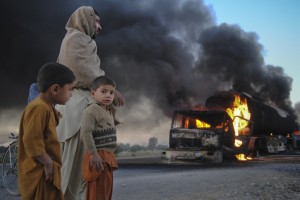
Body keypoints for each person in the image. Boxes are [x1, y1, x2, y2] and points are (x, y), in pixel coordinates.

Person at [55, 6, 124, 199]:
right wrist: (109, 88)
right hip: (77, 108)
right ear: (87, 19)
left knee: (75, 167)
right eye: (97, 21)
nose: (99, 27)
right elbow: (83, 71)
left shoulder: (73, 39)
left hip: (73, 107)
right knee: (77, 168)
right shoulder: (78, 39)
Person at [18, 62, 76, 200]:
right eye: (69, 89)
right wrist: (47, 162)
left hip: (46, 171)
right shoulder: (39, 108)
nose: (71, 94)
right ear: (55, 89)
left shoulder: (46, 106)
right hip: (40, 172)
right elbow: (31, 140)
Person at [81, 76, 118, 200]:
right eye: (104, 91)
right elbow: (86, 132)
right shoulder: (91, 110)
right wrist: (93, 153)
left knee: (106, 191)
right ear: (93, 93)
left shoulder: (108, 110)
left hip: (107, 156)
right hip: (98, 156)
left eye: (111, 92)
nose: (108, 95)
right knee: (97, 193)